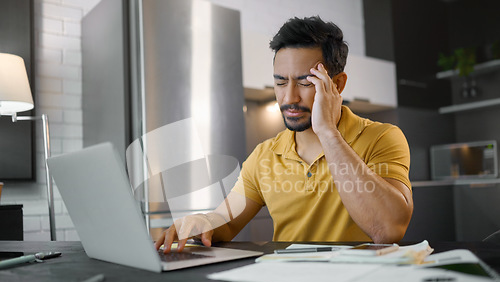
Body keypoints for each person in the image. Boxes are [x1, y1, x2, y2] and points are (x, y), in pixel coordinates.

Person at [155, 16, 413, 253]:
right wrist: (201, 222)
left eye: (304, 83)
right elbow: (224, 222)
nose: (289, 97)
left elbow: (388, 230)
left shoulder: (382, 137)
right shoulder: (265, 155)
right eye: (280, 83)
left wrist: (328, 132)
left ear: (336, 84)